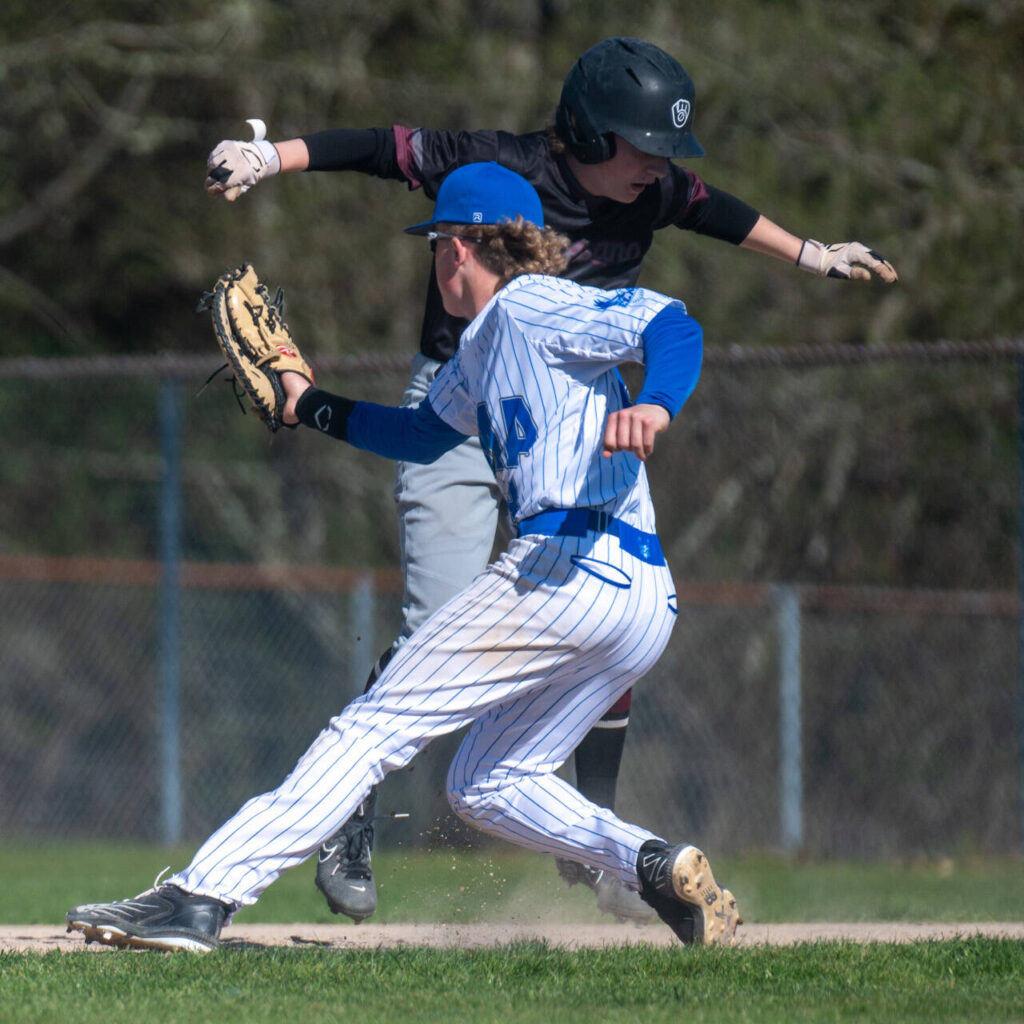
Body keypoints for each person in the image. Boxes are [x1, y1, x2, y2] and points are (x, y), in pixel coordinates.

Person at [203, 36, 898, 925]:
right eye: (641, 147)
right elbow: (385, 147)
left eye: (665, 153)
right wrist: (271, 156)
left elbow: (716, 216)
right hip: (460, 408)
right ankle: (346, 816)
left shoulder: (653, 193)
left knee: (605, 623)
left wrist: (811, 254)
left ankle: (605, 851)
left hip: (572, 424)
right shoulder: (505, 169)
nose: (658, 168)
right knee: (438, 629)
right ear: (584, 131)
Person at [66, 162, 739, 952]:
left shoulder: (534, 305)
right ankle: (650, 864)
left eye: (435, 248)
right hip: (640, 598)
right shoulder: (484, 348)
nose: (434, 265)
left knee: (373, 726)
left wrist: (656, 402)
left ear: (458, 248)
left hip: (565, 565)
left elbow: (672, 326)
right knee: (484, 784)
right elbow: (420, 437)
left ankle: (201, 896)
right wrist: (304, 402)